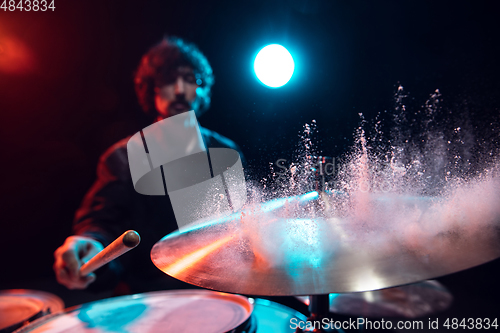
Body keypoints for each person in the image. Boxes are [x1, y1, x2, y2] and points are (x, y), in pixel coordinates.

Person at [53, 36, 245, 293]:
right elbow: (100, 223)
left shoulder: (227, 151)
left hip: (220, 289)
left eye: (190, 79)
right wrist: (89, 243)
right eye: (168, 80)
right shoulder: (121, 157)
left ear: (203, 90)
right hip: (151, 294)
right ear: (151, 89)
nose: (179, 90)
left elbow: (242, 225)